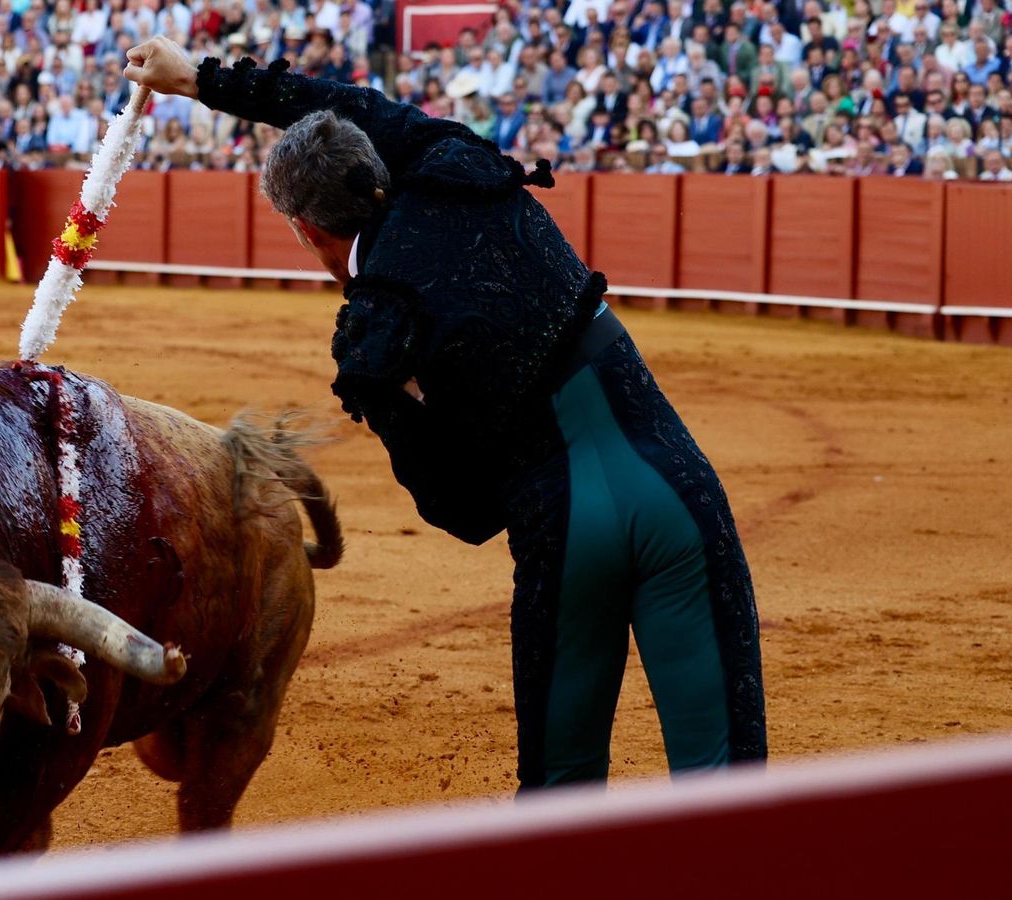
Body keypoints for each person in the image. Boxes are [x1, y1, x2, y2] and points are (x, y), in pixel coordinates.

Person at [124, 36, 767, 789]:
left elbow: (462, 511)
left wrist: (444, 401)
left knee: (563, 795)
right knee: (730, 787)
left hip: (564, 529)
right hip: (677, 485)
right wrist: (199, 79)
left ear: (308, 232)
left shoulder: (372, 337)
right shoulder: (451, 160)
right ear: (371, 160)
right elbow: (349, 104)